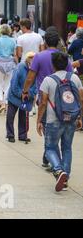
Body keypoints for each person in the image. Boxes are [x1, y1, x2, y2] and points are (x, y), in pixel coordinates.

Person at [22, 29, 73, 169]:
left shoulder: (39, 57)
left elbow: (30, 77)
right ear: (57, 43)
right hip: (64, 100)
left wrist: (25, 91)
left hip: (45, 99)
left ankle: (54, 163)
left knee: (49, 131)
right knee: (65, 140)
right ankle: (51, 159)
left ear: (44, 42)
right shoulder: (64, 58)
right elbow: (70, 78)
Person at [37, 52, 83, 192]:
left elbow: (43, 102)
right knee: (67, 148)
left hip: (53, 120)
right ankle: (65, 178)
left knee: (50, 148)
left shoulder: (48, 80)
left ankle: (58, 170)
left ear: (53, 65)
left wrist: (39, 120)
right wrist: (80, 117)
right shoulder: (75, 78)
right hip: (71, 118)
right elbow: (80, 99)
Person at [6, 52, 37, 143]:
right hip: (14, 96)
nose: (32, 60)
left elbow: (35, 85)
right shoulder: (20, 67)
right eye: (30, 58)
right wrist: (21, 94)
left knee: (23, 116)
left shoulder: (35, 69)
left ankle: (23, 135)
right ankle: (10, 134)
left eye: (34, 58)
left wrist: (28, 94)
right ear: (27, 59)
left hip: (26, 96)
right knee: (10, 116)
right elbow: (14, 84)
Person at [0, 25, 17, 114]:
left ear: (0, 31)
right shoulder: (13, 40)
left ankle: (1, 102)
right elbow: (15, 54)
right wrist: (17, 64)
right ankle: (5, 103)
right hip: (10, 63)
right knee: (8, 85)